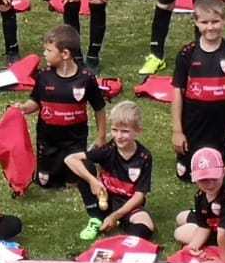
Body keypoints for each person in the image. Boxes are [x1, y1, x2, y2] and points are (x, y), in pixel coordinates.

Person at [15, 24, 106, 192]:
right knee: (45, 183)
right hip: (47, 139)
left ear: (65, 54)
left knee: (74, 184)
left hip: (74, 140)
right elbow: (36, 101)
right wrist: (23, 108)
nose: (44, 54)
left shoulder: (86, 79)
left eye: (49, 50)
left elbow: (99, 108)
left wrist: (101, 137)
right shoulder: (44, 76)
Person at [168, 0, 225, 183]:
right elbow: (177, 93)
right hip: (194, 126)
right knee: (187, 177)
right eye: (204, 22)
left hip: (223, 127)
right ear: (196, 22)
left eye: (215, 21)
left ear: (224, 21)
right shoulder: (187, 54)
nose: (210, 27)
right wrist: (177, 131)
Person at [65, 101, 157, 243]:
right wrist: (93, 181)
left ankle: (123, 232)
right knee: (83, 165)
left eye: (125, 131)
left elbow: (139, 195)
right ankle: (96, 218)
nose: (119, 136)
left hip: (127, 204)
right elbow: (70, 159)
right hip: (104, 199)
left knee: (146, 227)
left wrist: (116, 215)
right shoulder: (108, 149)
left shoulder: (144, 156)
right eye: (115, 130)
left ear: (138, 131)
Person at [173, 146, 225, 263]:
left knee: (179, 233)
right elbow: (203, 226)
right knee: (180, 217)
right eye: (203, 180)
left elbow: (222, 233)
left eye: (214, 178)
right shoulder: (200, 195)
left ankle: (211, 245)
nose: (210, 184)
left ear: (223, 172)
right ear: (194, 178)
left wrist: (224, 261)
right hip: (214, 223)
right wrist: (193, 247)